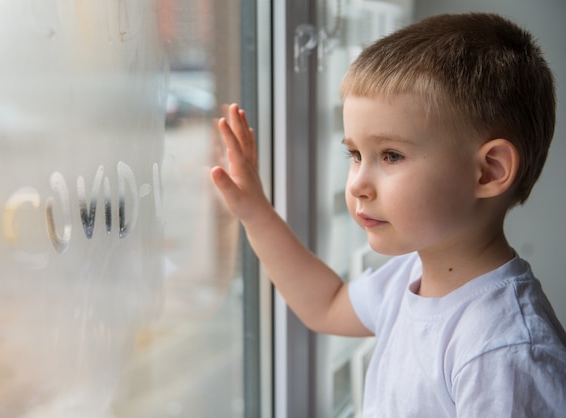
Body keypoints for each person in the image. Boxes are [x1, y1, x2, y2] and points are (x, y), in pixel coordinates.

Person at [210, 12, 566, 418]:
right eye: (355, 155)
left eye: (391, 155)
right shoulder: (411, 274)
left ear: (489, 171)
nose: (358, 183)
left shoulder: (504, 349)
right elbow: (326, 304)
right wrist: (256, 213)